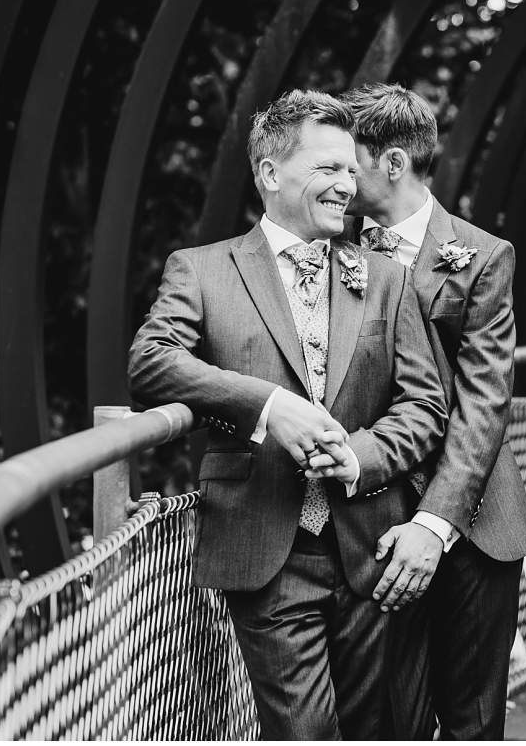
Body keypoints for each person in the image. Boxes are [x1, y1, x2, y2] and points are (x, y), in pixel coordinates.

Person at [127, 89, 447, 739]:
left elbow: (425, 403)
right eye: (327, 167)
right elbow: (150, 361)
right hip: (267, 545)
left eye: (350, 169)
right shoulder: (204, 270)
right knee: (304, 732)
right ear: (271, 173)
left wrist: (361, 454)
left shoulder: (385, 276)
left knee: (374, 730)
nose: (346, 183)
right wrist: (269, 406)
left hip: (371, 549)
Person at [332, 82, 526, 739]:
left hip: (474, 523)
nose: (335, 176)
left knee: (474, 722)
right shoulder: (329, 253)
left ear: (392, 163)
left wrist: (434, 523)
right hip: (370, 526)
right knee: (386, 723)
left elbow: (484, 405)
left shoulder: (482, 257)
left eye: (347, 159)